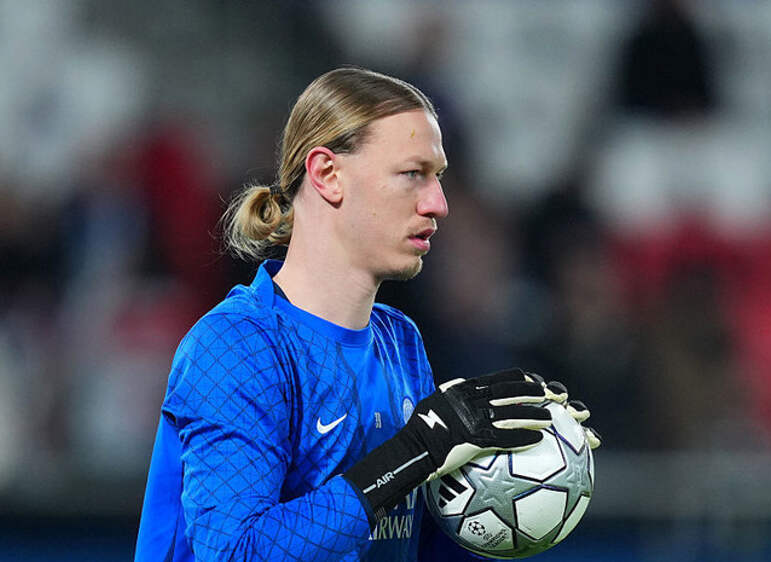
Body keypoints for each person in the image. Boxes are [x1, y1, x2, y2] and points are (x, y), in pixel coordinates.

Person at [134, 67, 600, 561]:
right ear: (327, 175)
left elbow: (409, 544)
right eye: (413, 174)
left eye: (439, 177)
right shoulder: (236, 346)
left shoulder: (399, 342)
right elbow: (234, 553)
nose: (438, 204)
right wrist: (416, 452)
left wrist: (516, 472)